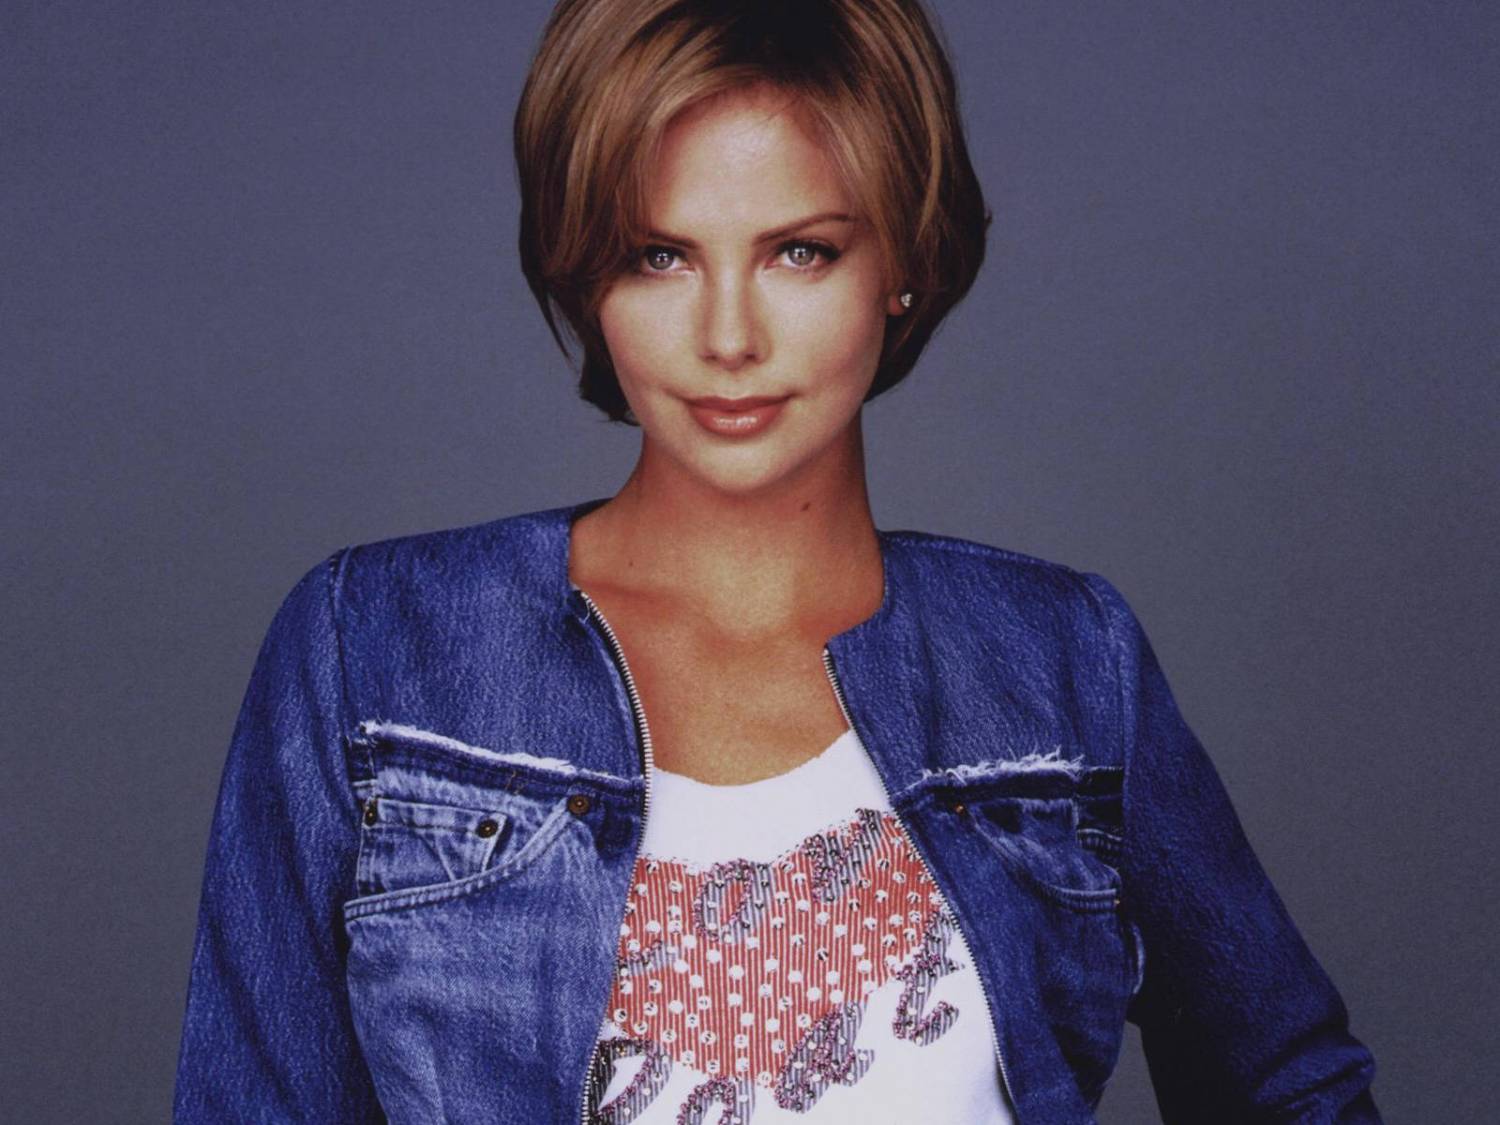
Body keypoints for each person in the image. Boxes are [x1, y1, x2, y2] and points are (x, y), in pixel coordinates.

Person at [173, 1, 1382, 1121]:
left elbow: (1294, 1087)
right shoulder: (374, 653)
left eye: (800, 251)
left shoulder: (1062, 663)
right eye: (659, 255)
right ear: (586, 271)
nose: (729, 336)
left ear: (902, 264)